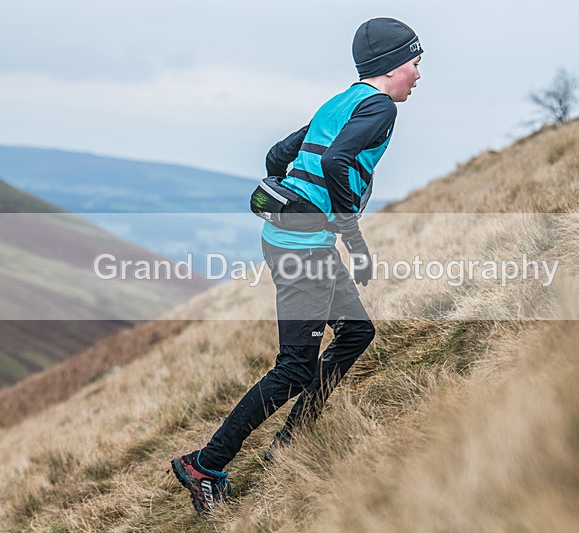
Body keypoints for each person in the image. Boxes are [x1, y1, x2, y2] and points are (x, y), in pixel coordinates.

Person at [171, 17, 423, 516]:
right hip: (302, 249)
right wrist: (349, 233)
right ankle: (205, 465)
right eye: (416, 63)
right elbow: (335, 164)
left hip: (295, 240)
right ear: (393, 65)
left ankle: (293, 438)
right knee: (293, 367)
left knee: (355, 333)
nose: (418, 74)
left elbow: (277, 155)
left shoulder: (340, 101)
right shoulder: (378, 109)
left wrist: (293, 205)